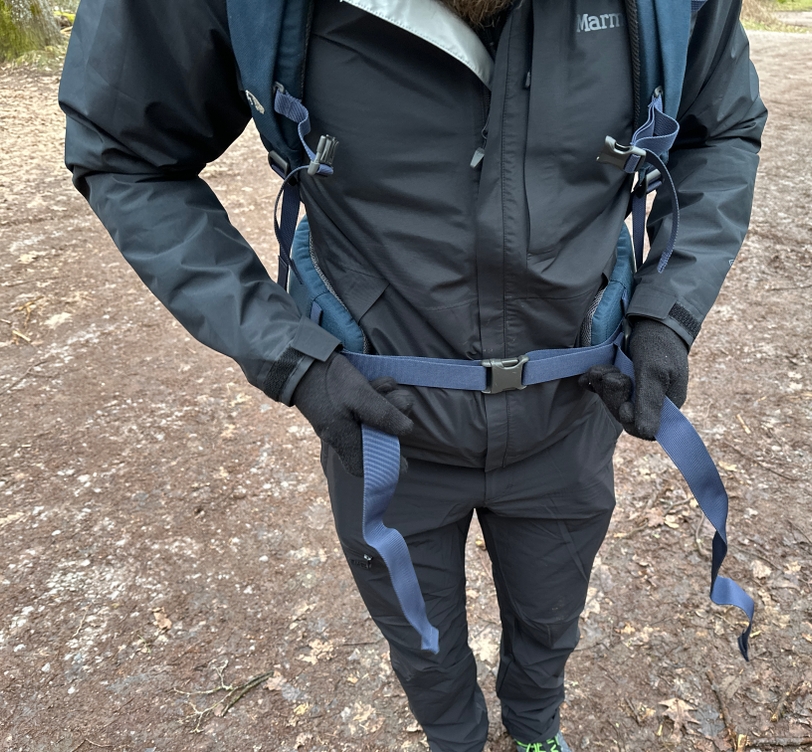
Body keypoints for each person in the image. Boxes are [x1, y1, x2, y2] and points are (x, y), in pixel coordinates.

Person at [59, 0, 766, 749]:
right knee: (421, 640)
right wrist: (291, 356)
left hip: (570, 412)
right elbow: (126, 151)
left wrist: (667, 307)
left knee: (552, 616)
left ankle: (533, 730)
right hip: (379, 427)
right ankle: (454, 739)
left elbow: (719, 126)